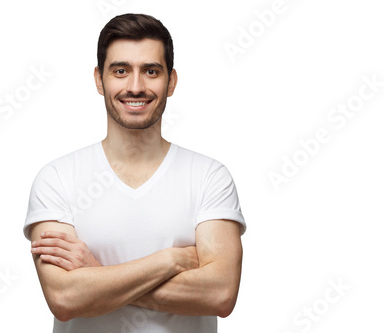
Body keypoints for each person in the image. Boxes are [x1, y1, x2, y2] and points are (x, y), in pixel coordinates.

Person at [23, 13, 246, 333]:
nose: (136, 86)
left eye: (151, 71)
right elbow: (65, 297)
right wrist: (171, 261)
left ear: (171, 81)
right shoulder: (58, 178)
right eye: (121, 71)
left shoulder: (209, 176)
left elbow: (220, 294)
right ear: (100, 80)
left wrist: (98, 275)